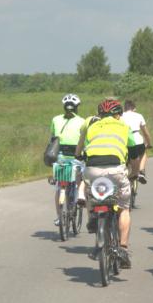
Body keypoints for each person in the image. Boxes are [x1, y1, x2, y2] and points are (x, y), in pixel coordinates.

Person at [75, 99, 137, 268]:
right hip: (116, 169)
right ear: (118, 115)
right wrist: (135, 172)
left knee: (90, 190)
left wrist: (79, 156)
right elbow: (134, 151)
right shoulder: (124, 126)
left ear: (100, 115)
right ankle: (123, 248)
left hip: (93, 169)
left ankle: (93, 216)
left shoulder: (92, 126)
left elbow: (80, 150)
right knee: (124, 209)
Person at [49, 94, 86, 226]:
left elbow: (53, 138)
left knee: (59, 187)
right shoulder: (82, 121)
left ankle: (59, 217)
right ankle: (79, 196)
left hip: (60, 156)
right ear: (76, 107)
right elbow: (85, 140)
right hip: (76, 156)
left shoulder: (55, 119)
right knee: (80, 179)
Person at [121, 99, 152, 184]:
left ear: (124, 108)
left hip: (124, 141)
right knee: (143, 153)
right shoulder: (139, 116)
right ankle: (141, 171)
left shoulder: (121, 116)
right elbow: (146, 133)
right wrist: (149, 143)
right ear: (134, 108)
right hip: (137, 140)